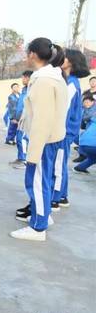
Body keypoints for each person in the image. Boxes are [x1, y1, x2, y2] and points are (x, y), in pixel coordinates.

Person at [10, 38, 67, 242]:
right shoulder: (55, 76)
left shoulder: (43, 80)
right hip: (53, 138)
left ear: (33, 54)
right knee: (44, 180)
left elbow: (42, 119)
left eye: (27, 53)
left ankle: (38, 227)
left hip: (44, 140)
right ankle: (43, 216)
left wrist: (34, 152)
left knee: (36, 182)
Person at [51, 49, 90, 210]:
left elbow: (63, 110)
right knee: (59, 163)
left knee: (57, 165)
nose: (61, 59)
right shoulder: (69, 81)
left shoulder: (71, 84)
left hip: (63, 132)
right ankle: (63, 196)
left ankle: (55, 198)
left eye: (64, 57)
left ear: (70, 62)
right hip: (65, 131)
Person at [10, 70, 33, 169]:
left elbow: (26, 106)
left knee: (22, 139)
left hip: (26, 118)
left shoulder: (32, 89)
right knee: (19, 138)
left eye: (23, 77)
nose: (22, 79)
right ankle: (20, 158)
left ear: (28, 78)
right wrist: (16, 117)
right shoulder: (24, 90)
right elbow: (19, 106)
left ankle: (24, 160)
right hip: (20, 118)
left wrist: (20, 117)